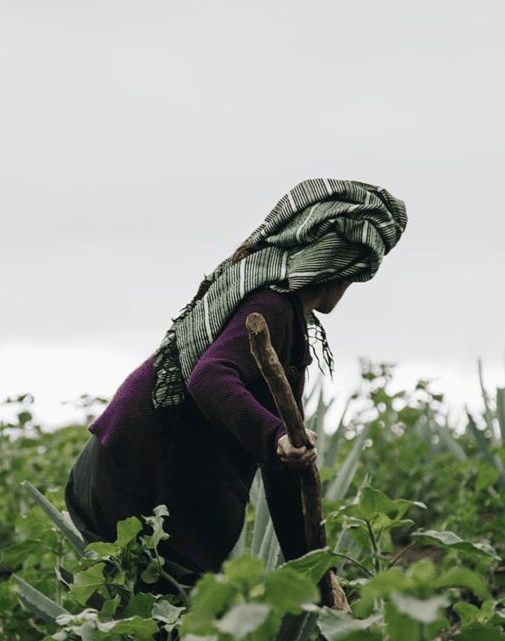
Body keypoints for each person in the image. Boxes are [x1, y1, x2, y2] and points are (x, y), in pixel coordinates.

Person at [64, 178, 409, 586]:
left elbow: (281, 467)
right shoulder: (272, 307)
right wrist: (276, 435)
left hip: (126, 469)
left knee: (163, 629)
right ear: (338, 269)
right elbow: (209, 375)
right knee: (175, 631)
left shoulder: (285, 323)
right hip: (134, 476)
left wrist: (318, 574)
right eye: (353, 278)